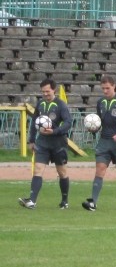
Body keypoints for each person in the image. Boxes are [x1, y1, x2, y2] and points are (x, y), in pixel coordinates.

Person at [18, 78, 72, 210]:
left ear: (54, 90)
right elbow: (34, 123)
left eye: (47, 91)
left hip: (58, 144)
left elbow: (68, 123)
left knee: (62, 172)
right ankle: (32, 201)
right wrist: (31, 140)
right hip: (42, 143)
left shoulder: (61, 105)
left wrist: (54, 131)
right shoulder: (40, 104)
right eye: (43, 92)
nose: (45, 94)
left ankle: (64, 201)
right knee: (37, 170)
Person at [82, 74, 116, 211]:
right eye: (103, 88)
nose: (105, 91)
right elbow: (99, 121)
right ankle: (93, 202)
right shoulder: (100, 102)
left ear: (114, 86)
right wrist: (93, 129)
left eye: (107, 88)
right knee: (100, 170)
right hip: (104, 141)